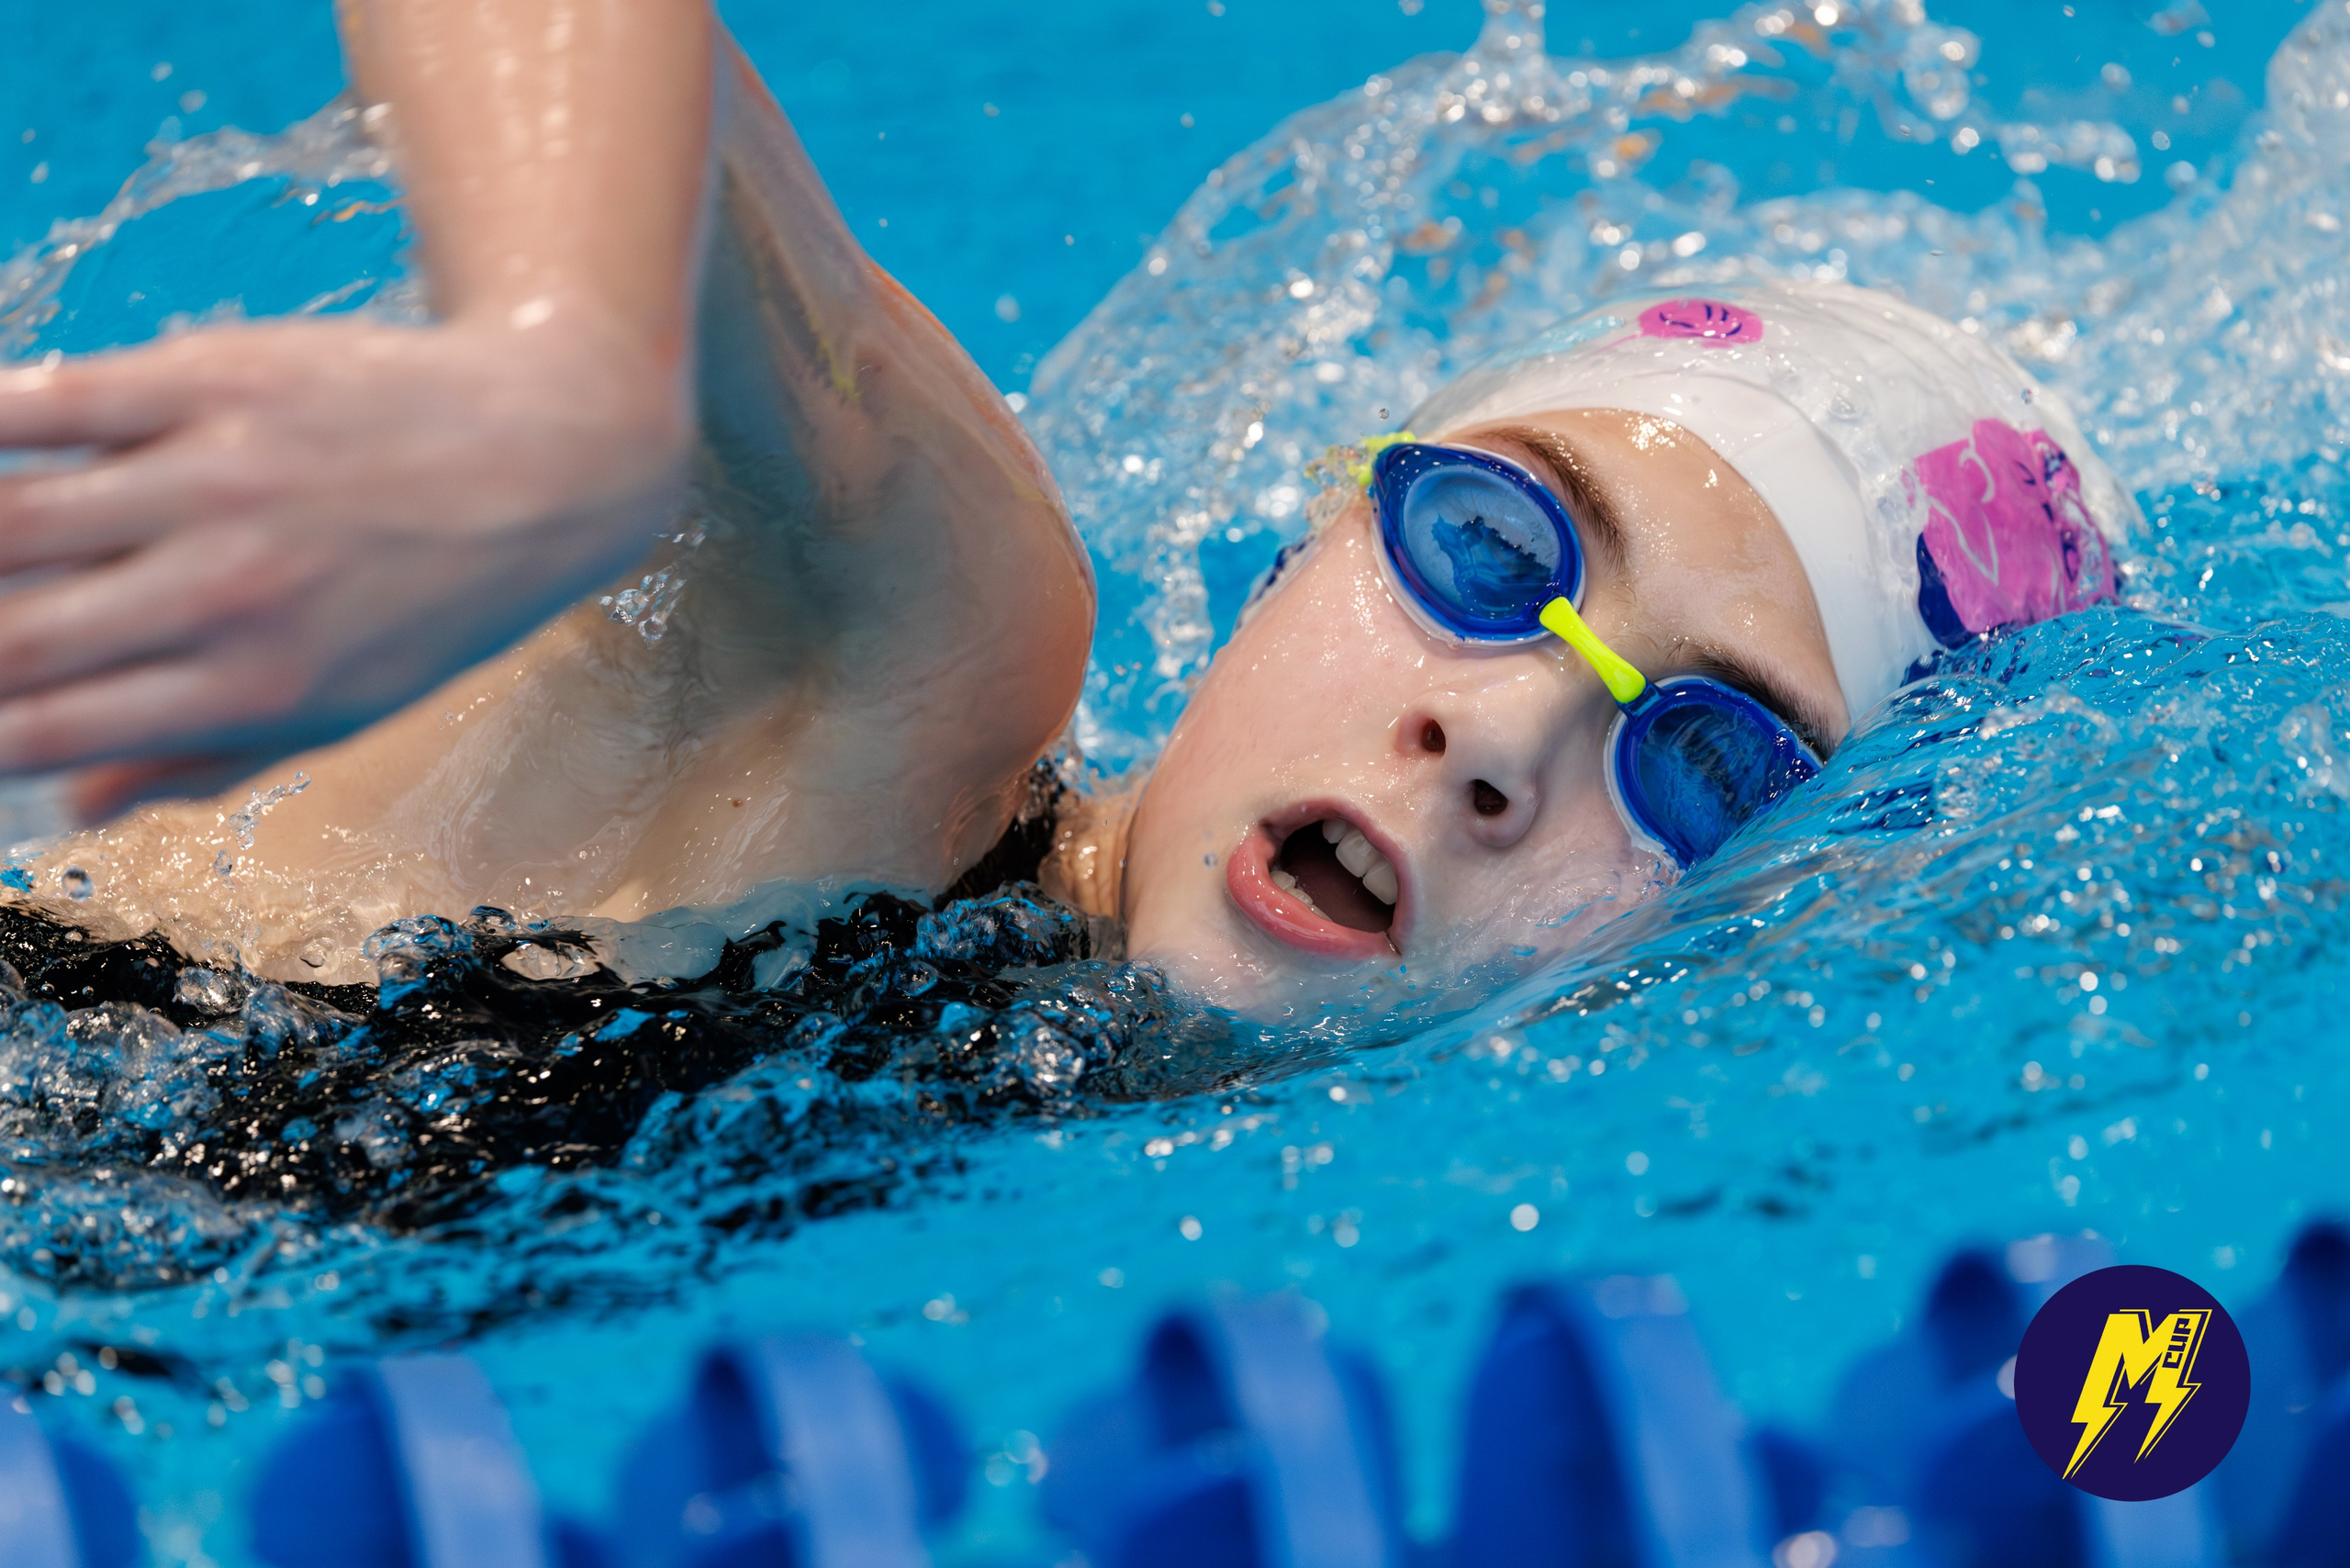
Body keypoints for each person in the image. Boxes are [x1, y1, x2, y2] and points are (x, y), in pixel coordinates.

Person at [7, 3, 2132, 1020]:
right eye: (1491, 551)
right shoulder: (919, 642)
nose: (1496, 740)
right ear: (1316, 525)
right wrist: (564, 372)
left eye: (1702, 753)